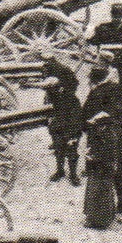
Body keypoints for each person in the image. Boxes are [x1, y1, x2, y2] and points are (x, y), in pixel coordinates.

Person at [40, 56, 82, 184]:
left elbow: (76, 118)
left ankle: (73, 175)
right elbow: (49, 116)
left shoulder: (71, 99)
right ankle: (60, 171)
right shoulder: (52, 98)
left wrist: (73, 135)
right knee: (58, 151)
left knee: (72, 153)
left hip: (70, 129)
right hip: (57, 128)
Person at [89, 3, 122, 95]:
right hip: (105, 58)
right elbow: (94, 41)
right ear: (111, 15)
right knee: (99, 79)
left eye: (119, 16)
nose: (116, 19)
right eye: (114, 16)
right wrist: (89, 34)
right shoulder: (102, 28)